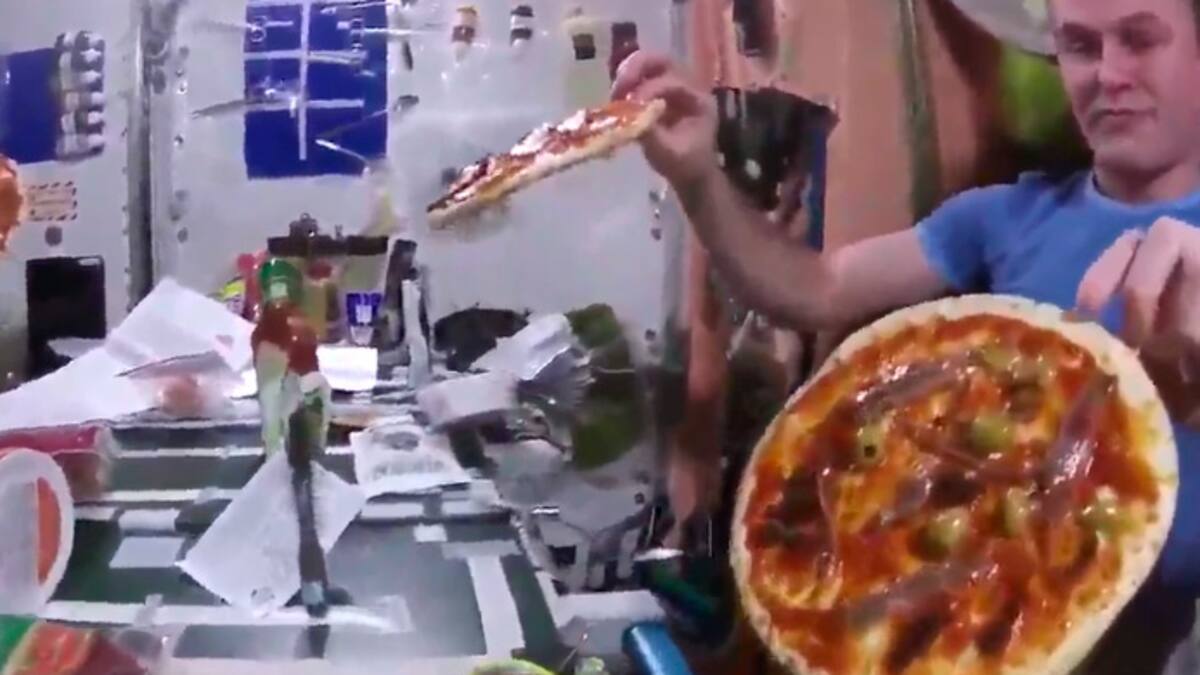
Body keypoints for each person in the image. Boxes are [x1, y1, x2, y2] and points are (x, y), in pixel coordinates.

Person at [614, 0, 1200, 668]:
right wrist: (696, 175)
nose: (1109, 74)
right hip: (988, 631)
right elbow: (814, 288)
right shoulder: (1007, 215)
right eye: (1081, 47)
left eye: (1140, 40)